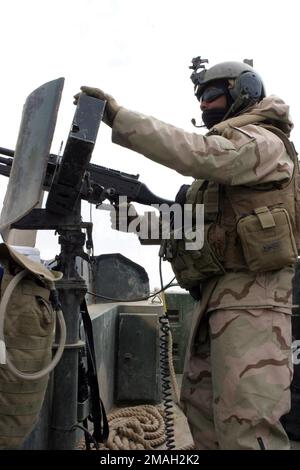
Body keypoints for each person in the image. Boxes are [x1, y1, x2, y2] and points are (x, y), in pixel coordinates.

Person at [74, 59, 299, 450]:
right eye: (201, 98)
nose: (204, 106)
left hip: (252, 304)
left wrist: (118, 118)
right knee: (202, 418)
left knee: (247, 428)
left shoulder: (263, 143)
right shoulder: (226, 167)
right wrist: (123, 213)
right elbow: (187, 226)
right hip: (216, 302)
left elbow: (195, 152)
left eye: (212, 95)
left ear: (243, 91)